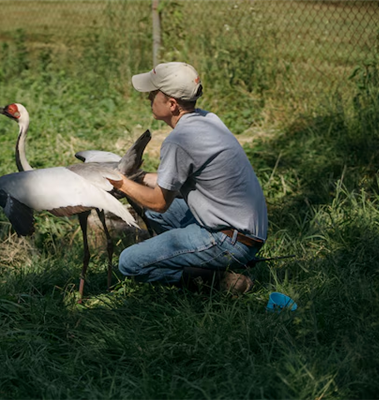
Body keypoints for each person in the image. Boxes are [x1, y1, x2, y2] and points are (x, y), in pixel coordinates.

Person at [108, 62, 268, 294]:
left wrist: (121, 183)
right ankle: (198, 261)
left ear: (171, 104)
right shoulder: (207, 120)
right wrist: (139, 178)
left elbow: (159, 202)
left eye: (152, 95)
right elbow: (169, 183)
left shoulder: (179, 141)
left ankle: (219, 282)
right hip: (246, 232)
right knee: (151, 212)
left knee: (130, 262)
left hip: (230, 241)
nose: (147, 99)